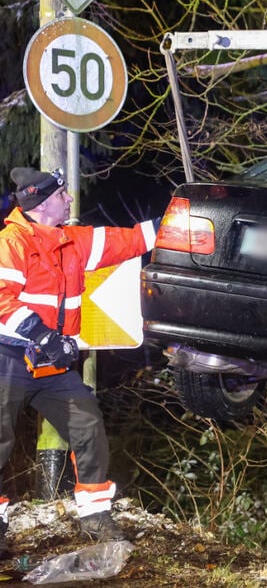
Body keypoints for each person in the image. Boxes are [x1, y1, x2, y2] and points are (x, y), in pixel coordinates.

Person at [0, 167, 157, 552]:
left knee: (87, 424)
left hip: (52, 365)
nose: (70, 199)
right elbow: (2, 299)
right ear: (41, 203)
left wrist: (179, 221)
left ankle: (95, 516)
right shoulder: (11, 242)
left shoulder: (74, 240)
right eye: (62, 194)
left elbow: (131, 240)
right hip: (8, 360)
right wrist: (43, 335)